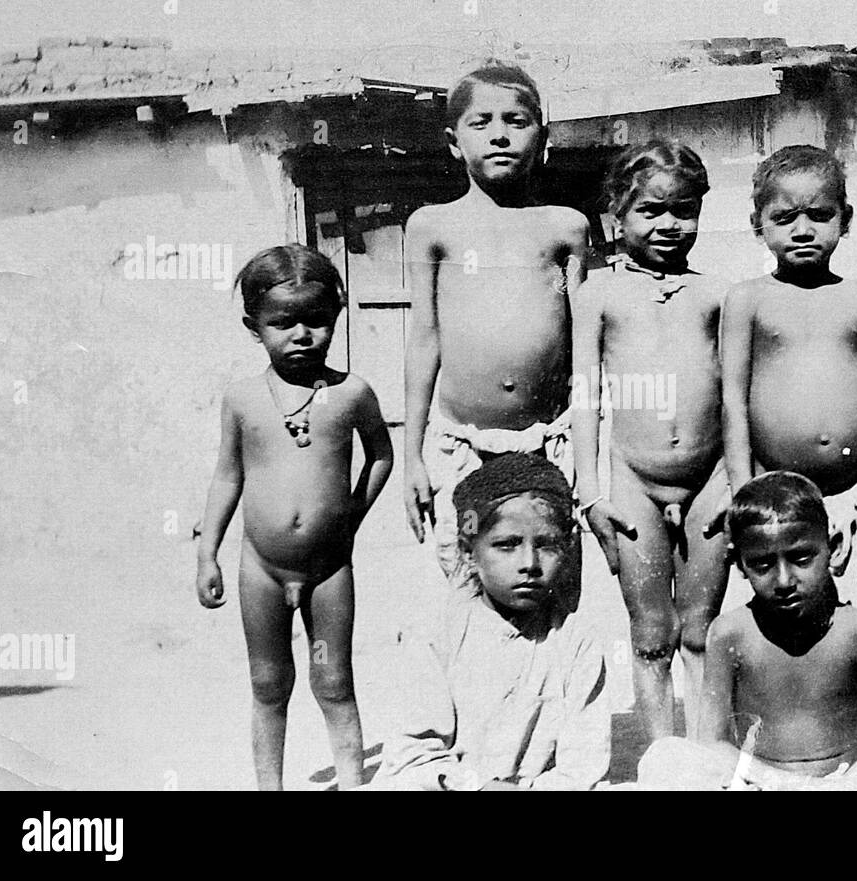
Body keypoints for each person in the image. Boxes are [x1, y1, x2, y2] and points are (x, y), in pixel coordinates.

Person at [195, 244, 395, 790]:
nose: (301, 334)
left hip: (330, 570)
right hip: (260, 570)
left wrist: (352, 515)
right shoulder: (242, 398)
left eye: (317, 320)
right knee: (268, 683)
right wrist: (206, 553)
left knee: (333, 680)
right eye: (282, 322)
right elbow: (227, 477)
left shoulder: (351, 393)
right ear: (253, 326)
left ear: (336, 317)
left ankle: (352, 782)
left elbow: (381, 455)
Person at [400, 62, 590, 587]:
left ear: (543, 138)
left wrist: (592, 451)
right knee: (466, 581)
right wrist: (412, 455)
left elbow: (586, 344)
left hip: (551, 439)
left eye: (517, 120)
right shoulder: (432, 226)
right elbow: (424, 337)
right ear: (453, 141)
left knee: (548, 578)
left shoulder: (564, 227)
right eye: (480, 122)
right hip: (461, 443)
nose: (500, 134)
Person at [571, 139, 730, 741]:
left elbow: (735, 397)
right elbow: (585, 396)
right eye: (650, 210)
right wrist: (591, 493)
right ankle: (665, 761)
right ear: (616, 213)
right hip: (631, 480)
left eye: (683, 210)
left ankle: (707, 754)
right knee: (651, 634)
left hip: (710, 478)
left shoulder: (718, 295)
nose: (668, 224)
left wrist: (740, 479)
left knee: (701, 629)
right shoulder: (598, 294)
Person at [721, 145, 857, 617]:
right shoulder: (747, 300)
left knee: (855, 626)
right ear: (757, 224)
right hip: (775, 507)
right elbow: (734, 404)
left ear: (846, 218)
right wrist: (743, 493)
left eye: (820, 215)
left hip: (854, 500)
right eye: (784, 217)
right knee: (782, 625)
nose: (803, 230)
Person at [635, 472, 857, 790]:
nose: (784, 581)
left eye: (801, 558)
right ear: (739, 565)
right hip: (760, 784)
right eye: (762, 565)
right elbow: (713, 742)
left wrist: (837, 788)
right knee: (663, 757)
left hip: (846, 784)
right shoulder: (728, 635)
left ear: (832, 548)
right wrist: (778, 783)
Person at [372, 453, 610, 790]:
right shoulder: (435, 633)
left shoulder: (576, 642)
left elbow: (583, 766)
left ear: (567, 548)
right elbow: (411, 756)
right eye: (507, 545)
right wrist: (476, 786)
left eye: (546, 545)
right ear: (470, 552)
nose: (530, 563)